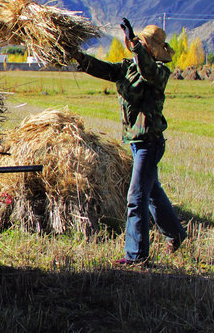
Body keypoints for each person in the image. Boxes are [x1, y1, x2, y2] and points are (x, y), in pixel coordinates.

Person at [73, 20, 187, 265]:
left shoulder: (158, 71)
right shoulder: (127, 67)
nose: (138, 47)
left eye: (143, 44)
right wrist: (78, 57)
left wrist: (136, 47)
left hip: (150, 143)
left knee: (136, 197)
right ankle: (176, 234)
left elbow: (148, 72)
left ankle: (136, 256)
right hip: (137, 143)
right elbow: (105, 70)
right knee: (151, 192)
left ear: (151, 49)